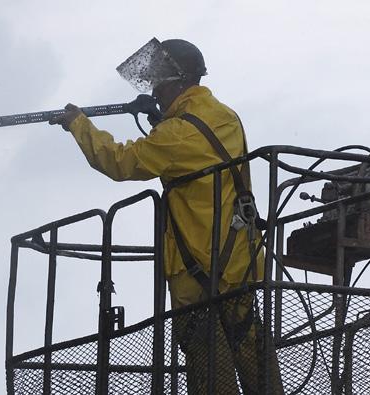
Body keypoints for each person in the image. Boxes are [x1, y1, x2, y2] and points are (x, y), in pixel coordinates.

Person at [50, 38, 283, 394]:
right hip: (241, 259)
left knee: (209, 367)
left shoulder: (176, 133)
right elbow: (195, 150)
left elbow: (121, 161)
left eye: (159, 83)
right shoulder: (225, 117)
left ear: (177, 81)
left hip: (199, 267)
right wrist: (163, 118)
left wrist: (79, 125)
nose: (156, 91)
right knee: (252, 349)